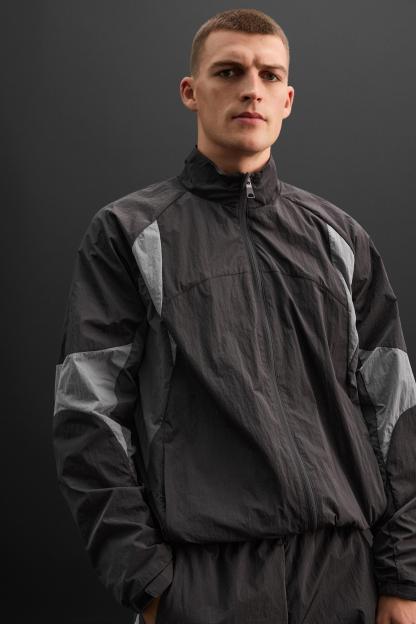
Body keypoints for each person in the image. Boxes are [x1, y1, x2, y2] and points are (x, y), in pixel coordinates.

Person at [53, 8, 416, 624]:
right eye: (229, 71)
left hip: (344, 580)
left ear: (288, 100)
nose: (252, 88)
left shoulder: (340, 238)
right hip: (204, 585)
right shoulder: (128, 233)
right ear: (191, 91)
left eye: (270, 75)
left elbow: (397, 416)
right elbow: (87, 417)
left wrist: (403, 577)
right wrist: (147, 581)